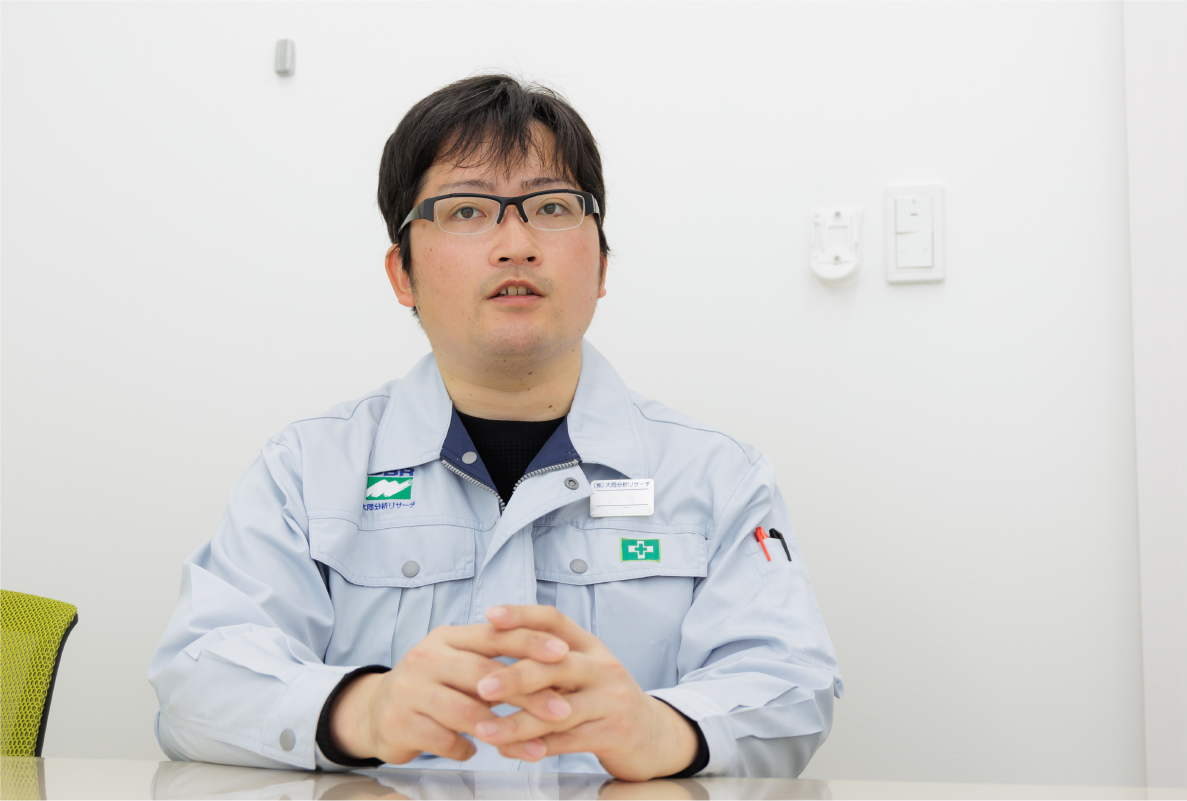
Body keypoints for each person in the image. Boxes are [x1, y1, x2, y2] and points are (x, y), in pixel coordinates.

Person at [149, 74, 842, 780]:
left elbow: (792, 683)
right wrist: (363, 709)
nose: (516, 244)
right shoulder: (306, 468)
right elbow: (195, 680)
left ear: (602, 264)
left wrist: (664, 729)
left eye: (550, 206)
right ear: (402, 273)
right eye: (467, 210)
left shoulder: (717, 476)